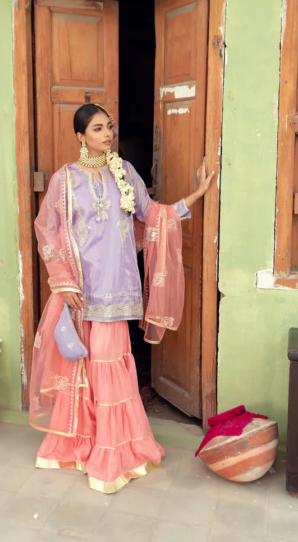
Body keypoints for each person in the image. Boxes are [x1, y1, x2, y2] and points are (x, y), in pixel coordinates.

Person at [29, 103, 214, 493]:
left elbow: (154, 216)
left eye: (109, 126)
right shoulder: (65, 181)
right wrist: (62, 282)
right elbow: (47, 230)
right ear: (81, 137)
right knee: (83, 366)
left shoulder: (125, 172)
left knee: (109, 364)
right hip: (81, 290)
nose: (107, 134)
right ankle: (80, 446)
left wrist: (196, 194)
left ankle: (112, 449)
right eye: (98, 129)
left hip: (116, 288)